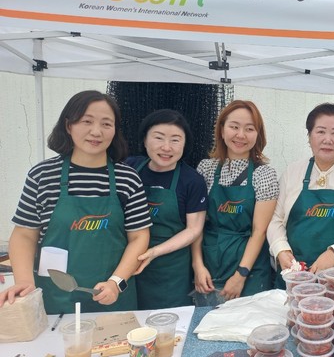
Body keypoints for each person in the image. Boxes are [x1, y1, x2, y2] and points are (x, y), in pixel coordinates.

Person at [0, 90, 151, 314]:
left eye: (106, 124)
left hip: (112, 299)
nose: (96, 131)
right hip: (54, 298)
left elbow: (139, 236)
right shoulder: (42, 175)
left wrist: (116, 282)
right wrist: (23, 281)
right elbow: (24, 234)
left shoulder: (127, 178)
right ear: (68, 125)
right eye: (86, 121)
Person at [268, 102, 334, 282]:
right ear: (309, 136)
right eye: (320, 131)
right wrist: (281, 249)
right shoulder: (292, 173)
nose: (328, 139)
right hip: (293, 275)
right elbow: (275, 219)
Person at [194, 100, 278, 300]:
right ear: (222, 130)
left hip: (250, 269)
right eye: (234, 127)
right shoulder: (206, 169)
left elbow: (259, 231)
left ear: (258, 135)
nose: (241, 135)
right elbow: (196, 226)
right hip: (209, 265)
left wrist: (241, 274)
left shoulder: (264, 174)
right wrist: (197, 266)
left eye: (249, 129)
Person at [126, 109, 207, 310]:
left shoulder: (192, 181)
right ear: (145, 140)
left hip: (170, 269)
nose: (166, 147)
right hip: (128, 262)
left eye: (175, 140)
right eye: (159, 137)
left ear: (185, 144)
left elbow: (194, 229)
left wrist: (155, 251)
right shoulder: (129, 168)